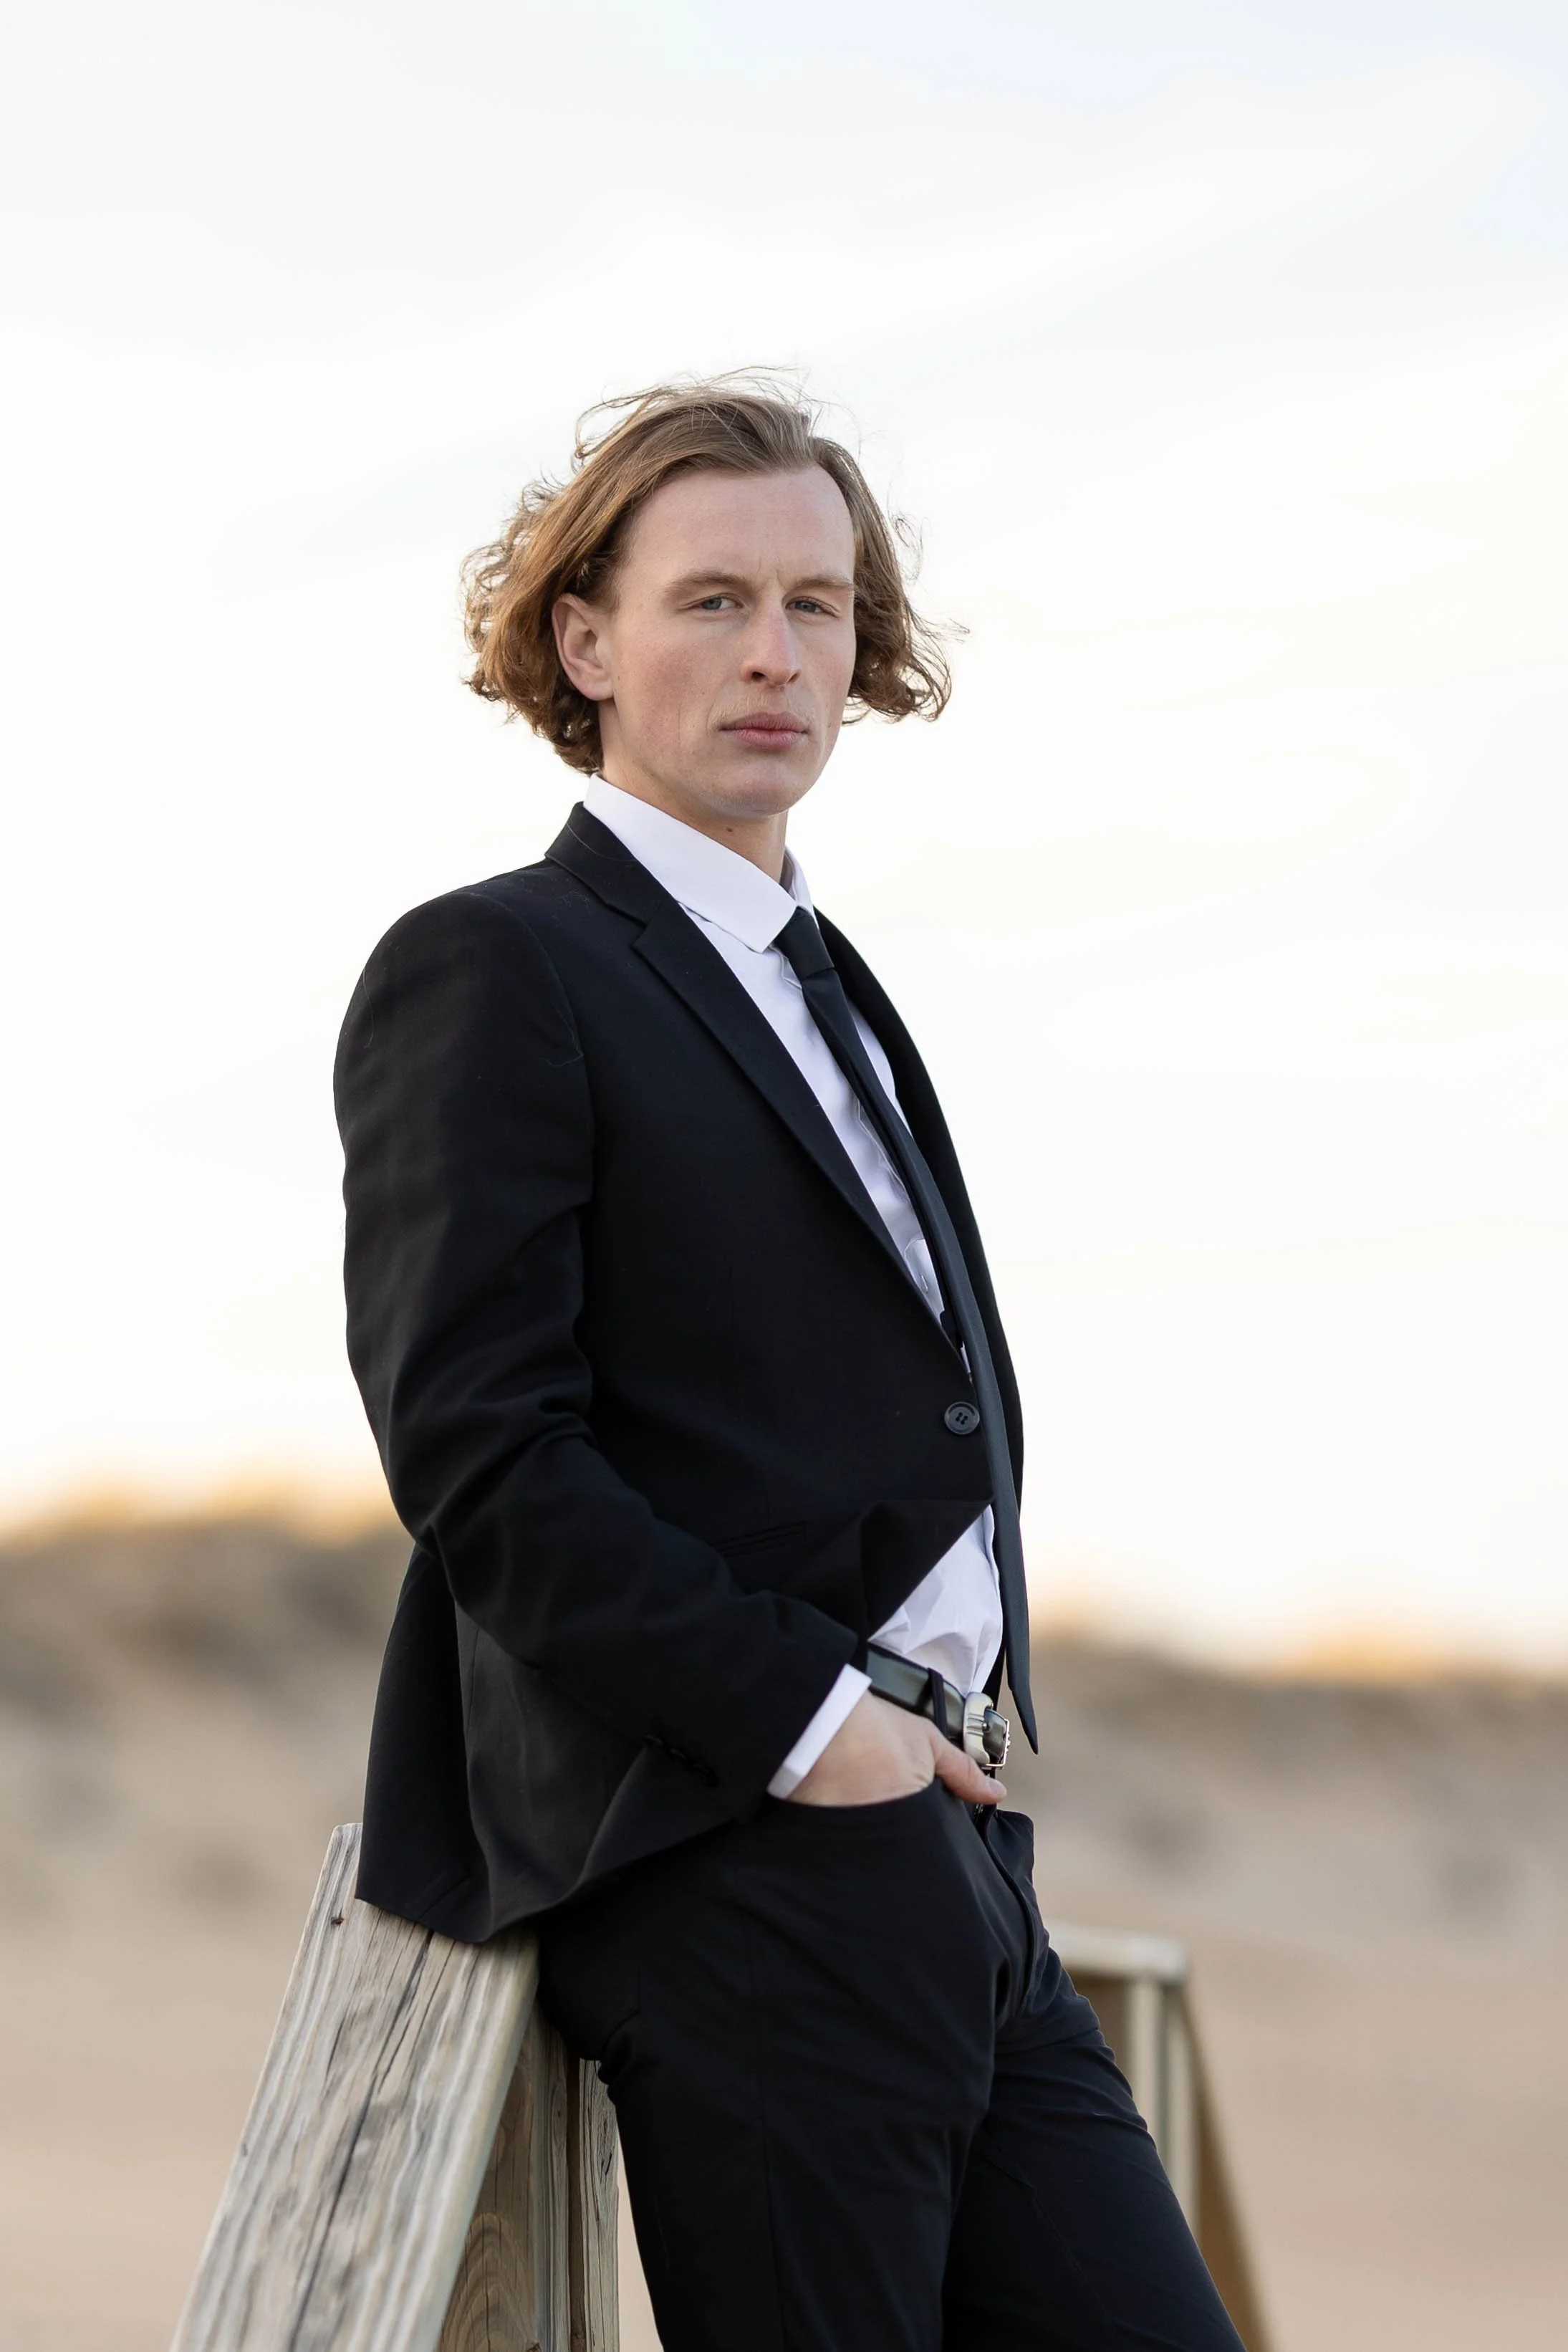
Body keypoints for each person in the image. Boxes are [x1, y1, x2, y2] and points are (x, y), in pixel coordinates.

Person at [335, 378, 1244, 2352]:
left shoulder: (822, 983)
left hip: (950, 1853)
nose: (775, 654)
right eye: (713, 601)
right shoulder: (495, 965)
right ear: (585, 642)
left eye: (815, 605)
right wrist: (812, 1732)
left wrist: (935, 1760)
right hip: (739, 1858)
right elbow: (482, 1457)